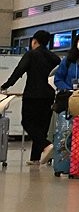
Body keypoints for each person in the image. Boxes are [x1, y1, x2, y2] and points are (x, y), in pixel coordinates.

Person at [1, 30, 61, 166]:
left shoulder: (31, 54)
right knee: (41, 126)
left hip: (32, 95)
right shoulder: (54, 58)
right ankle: (35, 157)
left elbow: (19, 71)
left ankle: (46, 145)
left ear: (34, 41)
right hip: (49, 95)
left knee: (27, 122)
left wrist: (5, 86)